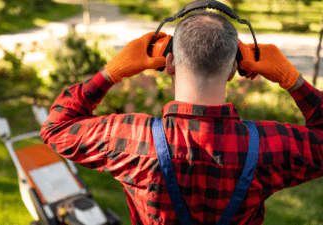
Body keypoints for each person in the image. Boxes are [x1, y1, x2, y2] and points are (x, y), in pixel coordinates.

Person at [40, 11, 322, 225]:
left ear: (170, 62)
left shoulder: (132, 139)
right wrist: (293, 80)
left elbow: (57, 127)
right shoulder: (270, 146)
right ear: (234, 69)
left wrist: (111, 72)